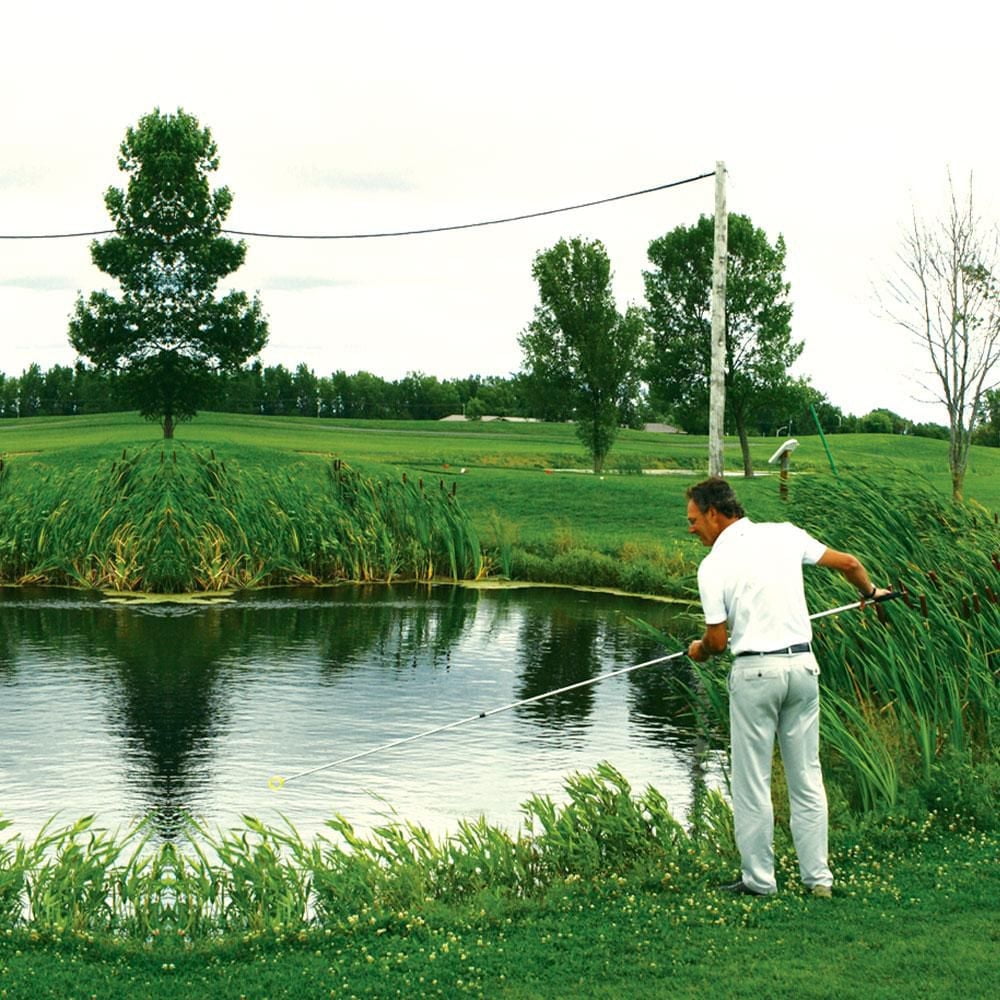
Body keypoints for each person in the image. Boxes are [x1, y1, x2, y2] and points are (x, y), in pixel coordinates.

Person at [684, 477, 890, 898]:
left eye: (693, 519)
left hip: (756, 674)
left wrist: (699, 651)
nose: (691, 529)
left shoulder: (713, 566)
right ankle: (819, 880)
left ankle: (760, 882)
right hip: (803, 670)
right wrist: (872, 592)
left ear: (715, 513)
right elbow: (849, 564)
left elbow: (718, 642)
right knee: (807, 776)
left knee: (752, 781)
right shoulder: (785, 534)